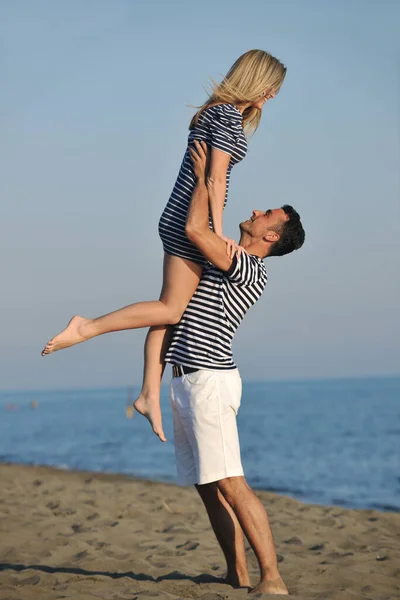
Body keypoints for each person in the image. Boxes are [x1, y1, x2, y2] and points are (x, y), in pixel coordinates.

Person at [41, 49, 287, 444]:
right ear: (257, 79)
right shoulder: (225, 116)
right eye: (272, 87)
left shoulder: (218, 112)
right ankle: (85, 327)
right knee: (172, 308)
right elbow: (215, 180)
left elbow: (209, 175)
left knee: (171, 309)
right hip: (190, 220)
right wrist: (219, 231)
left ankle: (147, 395)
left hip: (181, 215)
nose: (273, 95)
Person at [166, 140, 305, 594]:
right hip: (186, 379)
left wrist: (209, 177)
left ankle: (273, 578)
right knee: (209, 485)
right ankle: (237, 572)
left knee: (231, 481)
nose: (258, 210)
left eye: (268, 214)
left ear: (271, 237)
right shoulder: (230, 254)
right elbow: (202, 233)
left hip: (209, 380)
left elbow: (193, 228)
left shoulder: (249, 267)